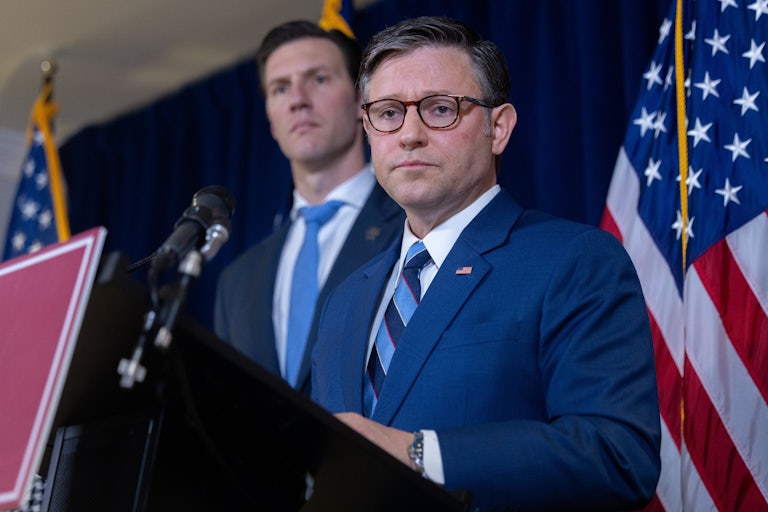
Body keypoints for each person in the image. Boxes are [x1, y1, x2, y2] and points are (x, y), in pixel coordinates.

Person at [311, 16, 661, 510]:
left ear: (499, 128)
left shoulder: (575, 261)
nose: (409, 134)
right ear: (368, 129)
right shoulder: (344, 300)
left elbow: (617, 456)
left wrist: (419, 453)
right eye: (388, 113)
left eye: (440, 109)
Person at [214, 20, 404, 394]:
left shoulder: (414, 227)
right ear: (270, 118)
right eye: (280, 88)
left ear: (359, 103)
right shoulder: (236, 281)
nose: (297, 99)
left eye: (318, 79)